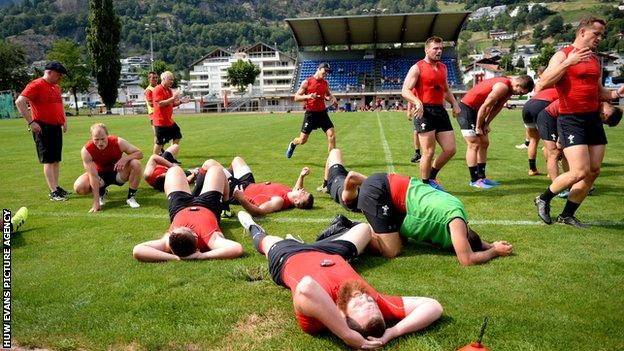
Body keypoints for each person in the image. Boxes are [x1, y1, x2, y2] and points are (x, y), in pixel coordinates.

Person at [236, 210, 443, 348]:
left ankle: (253, 227)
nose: (365, 299)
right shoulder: (375, 302)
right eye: (372, 304)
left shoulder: (319, 318)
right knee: (363, 228)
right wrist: (392, 332)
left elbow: (306, 287)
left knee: (265, 241)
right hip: (334, 254)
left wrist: (347, 335)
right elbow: (433, 306)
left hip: (289, 256)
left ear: (343, 317)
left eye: (361, 306)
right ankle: (323, 236)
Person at [534, 16, 624, 228]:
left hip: (592, 119)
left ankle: (566, 215)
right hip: (570, 118)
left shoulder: (593, 59)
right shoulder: (562, 54)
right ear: (582, 32)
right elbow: (543, 83)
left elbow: (599, 91)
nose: (599, 38)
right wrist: (568, 63)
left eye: (602, 34)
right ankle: (543, 198)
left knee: (593, 171)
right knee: (579, 171)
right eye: (596, 34)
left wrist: (617, 92)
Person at [357, 172, 513, 264]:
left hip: (390, 183)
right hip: (380, 191)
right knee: (392, 250)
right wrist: (494, 252)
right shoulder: (455, 223)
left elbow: (471, 237)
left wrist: (491, 244)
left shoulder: (459, 211)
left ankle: (360, 185)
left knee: (402, 240)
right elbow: (467, 259)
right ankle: (352, 228)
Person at [133, 165, 243, 262]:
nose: (185, 226)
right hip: (208, 206)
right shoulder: (210, 239)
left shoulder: (170, 240)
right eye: (187, 228)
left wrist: (175, 258)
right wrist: (201, 256)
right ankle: (226, 207)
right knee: (216, 170)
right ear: (195, 237)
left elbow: (138, 250)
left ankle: (193, 186)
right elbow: (237, 248)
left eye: (178, 228)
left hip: (179, 207)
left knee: (174, 170)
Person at [401, 36, 461, 191]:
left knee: (450, 149)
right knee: (428, 151)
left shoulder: (443, 68)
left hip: (440, 110)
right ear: (427, 50)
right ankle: (425, 185)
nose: (439, 51)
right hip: (424, 111)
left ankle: (432, 175)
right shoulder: (417, 67)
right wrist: (417, 102)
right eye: (435, 48)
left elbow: (446, 90)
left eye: (441, 48)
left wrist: (455, 104)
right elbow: (405, 90)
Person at [457, 75, 534, 188]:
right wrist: (479, 126)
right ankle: (474, 180)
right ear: (517, 85)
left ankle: (482, 177)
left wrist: (487, 123)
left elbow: (497, 107)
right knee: (474, 143)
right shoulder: (502, 86)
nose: (520, 95)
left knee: (484, 142)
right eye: (521, 92)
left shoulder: (509, 91)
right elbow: (486, 105)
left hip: (478, 111)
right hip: (467, 109)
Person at [15, 61, 70, 201]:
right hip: (43, 127)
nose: (60, 78)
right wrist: (31, 122)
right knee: (48, 160)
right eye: (59, 75)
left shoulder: (56, 87)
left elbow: (59, 105)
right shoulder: (36, 85)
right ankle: (53, 191)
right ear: (49, 72)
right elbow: (20, 101)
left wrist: (64, 120)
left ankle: (56, 187)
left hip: (55, 126)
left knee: (56, 159)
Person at [73, 123, 143, 212]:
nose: (100, 143)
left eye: (103, 139)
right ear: (92, 138)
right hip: (99, 176)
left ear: (107, 135)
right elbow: (93, 176)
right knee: (79, 187)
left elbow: (139, 153)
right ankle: (101, 193)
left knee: (136, 163)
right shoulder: (86, 151)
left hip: (118, 172)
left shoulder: (118, 142)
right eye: (96, 140)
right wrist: (96, 202)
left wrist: (125, 159)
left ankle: (131, 197)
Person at [225, 157, 314, 215]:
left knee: (213, 165)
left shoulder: (279, 201)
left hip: (239, 190)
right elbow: (297, 188)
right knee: (237, 160)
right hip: (249, 183)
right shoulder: (290, 193)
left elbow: (260, 211)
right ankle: (226, 177)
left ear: (297, 201)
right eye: (305, 191)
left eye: (303, 194)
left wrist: (241, 199)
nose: (302, 190)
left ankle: (223, 192)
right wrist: (301, 176)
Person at [287, 62, 338, 158]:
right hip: (311, 114)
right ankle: (293, 144)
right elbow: (296, 97)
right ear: (319, 68)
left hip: (322, 113)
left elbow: (327, 95)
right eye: (325, 71)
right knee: (303, 140)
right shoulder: (307, 82)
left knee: (331, 135)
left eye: (328, 72)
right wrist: (309, 96)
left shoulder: (325, 83)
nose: (326, 73)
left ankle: (332, 161)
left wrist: (333, 98)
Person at [521, 67, 559, 176]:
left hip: (528, 106)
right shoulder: (560, 87)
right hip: (543, 105)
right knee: (548, 142)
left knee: (533, 139)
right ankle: (550, 171)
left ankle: (532, 170)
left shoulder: (542, 85)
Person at [152, 71, 188, 156]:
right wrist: (173, 98)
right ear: (163, 79)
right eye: (170, 79)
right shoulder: (158, 89)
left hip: (168, 121)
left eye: (172, 79)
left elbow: (171, 104)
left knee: (177, 135)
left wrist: (181, 102)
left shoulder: (168, 90)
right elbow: (160, 103)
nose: (172, 81)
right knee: (160, 142)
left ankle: (169, 156)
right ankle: (153, 161)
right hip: (160, 121)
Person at [144, 71, 159, 149]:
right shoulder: (149, 90)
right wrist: (162, 103)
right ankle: (158, 151)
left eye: (156, 77)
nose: (155, 79)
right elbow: (151, 104)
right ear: (149, 79)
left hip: (160, 113)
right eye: (153, 78)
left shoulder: (158, 88)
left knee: (161, 133)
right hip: (153, 114)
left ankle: (161, 150)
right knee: (157, 133)